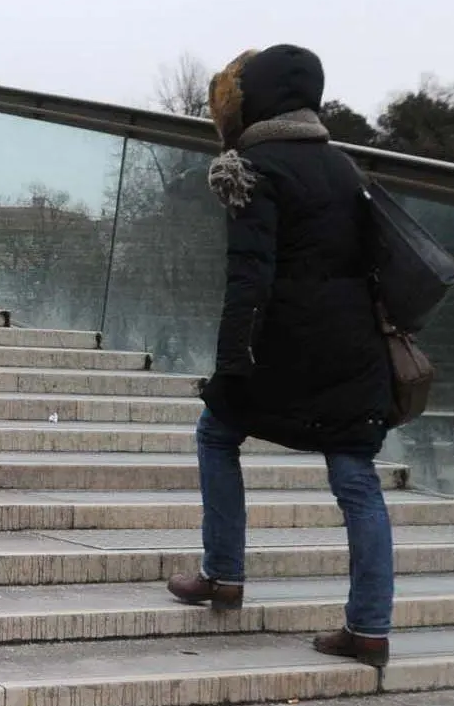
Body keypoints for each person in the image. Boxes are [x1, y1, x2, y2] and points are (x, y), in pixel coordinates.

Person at [168, 44, 395, 666]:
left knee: (217, 432)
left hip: (285, 346)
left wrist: (230, 364)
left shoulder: (248, 166)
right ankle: (370, 628)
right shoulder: (346, 167)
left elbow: (250, 276)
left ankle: (224, 574)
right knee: (355, 477)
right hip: (354, 351)